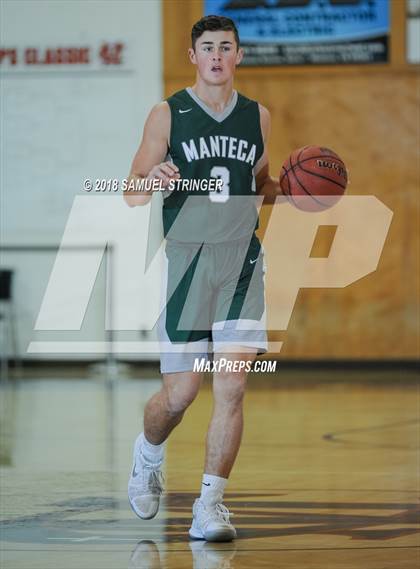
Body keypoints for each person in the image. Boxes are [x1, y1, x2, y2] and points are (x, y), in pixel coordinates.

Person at [124, 14, 282, 542]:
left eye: (227, 47)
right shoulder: (167, 114)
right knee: (180, 395)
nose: (217, 55)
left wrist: (298, 188)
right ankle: (148, 455)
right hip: (189, 266)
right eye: (207, 47)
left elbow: (261, 184)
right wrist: (153, 174)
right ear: (193, 56)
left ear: (239, 56)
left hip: (241, 263)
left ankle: (209, 506)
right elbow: (130, 190)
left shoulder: (258, 117)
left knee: (232, 384)